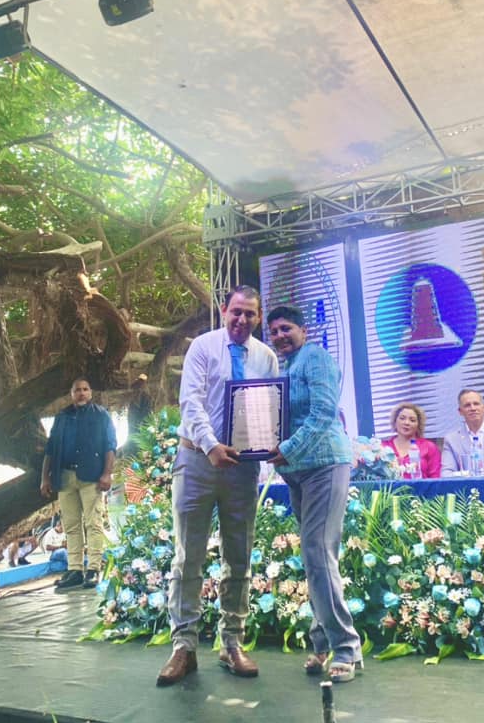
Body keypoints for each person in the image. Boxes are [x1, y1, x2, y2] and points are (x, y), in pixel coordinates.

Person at [156, 285, 279, 687]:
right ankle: (184, 647)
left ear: (258, 318)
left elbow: (268, 408)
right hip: (196, 460)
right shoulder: (203, 347)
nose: (242, 320)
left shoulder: (266, 357)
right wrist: (211, 446)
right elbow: (190, 403)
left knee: (238, 557)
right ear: (224, 310)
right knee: (187, 556)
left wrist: (269, 444)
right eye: (236, 312)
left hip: (242, 468)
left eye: (250, 314)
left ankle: (232, 643)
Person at [266, 305, 362, 683]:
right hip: (296, 473)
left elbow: (323, 413)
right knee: (315, 558)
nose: (279, 336)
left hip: (325, 465)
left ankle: (346, 647)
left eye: (286, 328)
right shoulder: (284, 368)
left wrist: (288, 448)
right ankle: (322, 643)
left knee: (318, 552)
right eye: (273, 331)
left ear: (303, 330)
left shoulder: (315, 358)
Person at [40, 377, 116, 592]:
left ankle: (93, 569)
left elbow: (110, 446)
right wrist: (45, 478)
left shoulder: (101, 415)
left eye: (85, 389)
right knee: (71, 525)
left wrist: (107, 474)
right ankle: (74, 570)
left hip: (91, 477)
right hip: (65, 476)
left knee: (93, 523)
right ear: (71, 394)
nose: (81, 393)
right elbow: (50, 449)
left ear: (90, 393)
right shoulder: (62, 417)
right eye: (77, 390)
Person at [381, 402, 441, 479]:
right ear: (395, 421)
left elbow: (436, 478)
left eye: (412, 420)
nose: (406, 423)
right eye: (402, 418)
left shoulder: (429, 447)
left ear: (418, 425)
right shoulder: (383, 447)